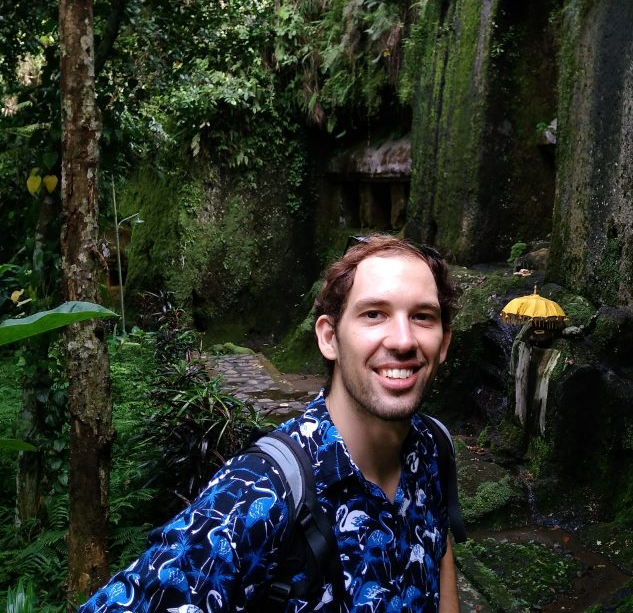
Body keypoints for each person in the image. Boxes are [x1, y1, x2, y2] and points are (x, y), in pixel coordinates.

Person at [79, 235, 461, 612]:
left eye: (422, 316)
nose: (403, 340)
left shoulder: (433, 448)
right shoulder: (257, 494)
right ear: (329, 338)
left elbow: (437, 548)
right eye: (374, 314)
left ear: (443, 342)